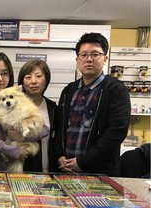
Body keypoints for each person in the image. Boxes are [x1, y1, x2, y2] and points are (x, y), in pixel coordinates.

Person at [54, 33, 131, 177]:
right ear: (77, 59)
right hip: (66, 171)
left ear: (105, 58)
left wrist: (83, 162)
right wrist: (59, 155)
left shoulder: (115, 89)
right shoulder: (69, 90)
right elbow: (59, 129)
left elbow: (117, 132)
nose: (89, 59)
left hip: (99, 174)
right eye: (84, 55)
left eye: (95, 54)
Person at [17, 59, 58, 173]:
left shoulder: (53, 107)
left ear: (46, 80)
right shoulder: (15, 106)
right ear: (22, 82)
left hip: (48, 170)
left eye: (38, 76)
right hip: (20, 169)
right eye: (28, 77)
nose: (33, 81)